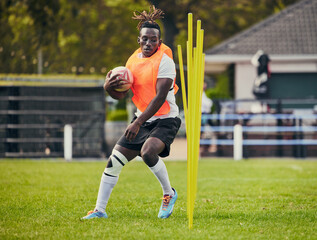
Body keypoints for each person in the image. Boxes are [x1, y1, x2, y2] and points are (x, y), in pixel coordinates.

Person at [82, 6, 181, 220]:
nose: (149, 44)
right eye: (145, 39)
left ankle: (168, 193)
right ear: (139, 39)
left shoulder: (165, 60)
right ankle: (99, 210)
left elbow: (160, 96)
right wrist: (108, 88)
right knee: (113, 161)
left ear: (159, 41)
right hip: (142, 119)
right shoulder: (131, 62)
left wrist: (137, 123)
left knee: (147, 152)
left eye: (153, 40)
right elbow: (123, 95)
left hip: (165, 118)